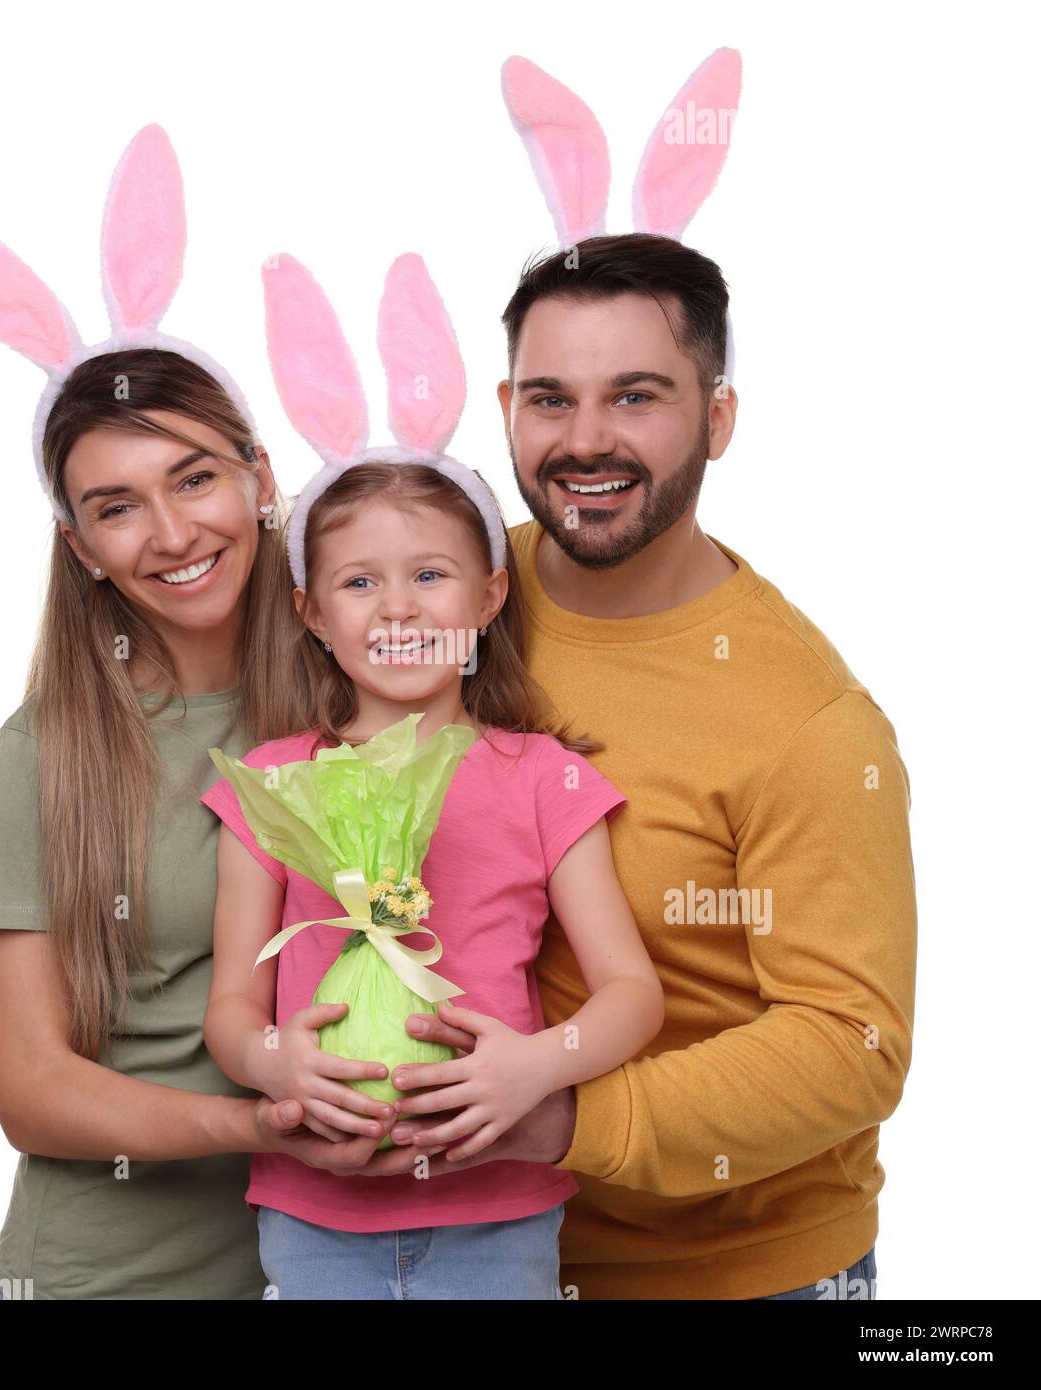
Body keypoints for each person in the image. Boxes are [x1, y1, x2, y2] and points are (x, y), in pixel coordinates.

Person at [386, 231, 916, 1301]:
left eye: (635, 398)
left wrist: (564, 1118)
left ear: (717, 417)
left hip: (725, 1275)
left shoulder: (809, 721)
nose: (585, 442)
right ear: (503, 409)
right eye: (549, 399)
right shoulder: (448, 595)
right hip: (452, 1252)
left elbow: (849, 1044)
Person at [0, 127, 390, 1300]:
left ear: (260, 473)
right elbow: (30, 1085)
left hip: (360, 1256)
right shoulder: (52, 751)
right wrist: (263, 1128)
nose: (173, 535)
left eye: (192, 477)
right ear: (81, 549)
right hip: (113, 1275)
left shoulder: (376, 683)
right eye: (117, 508)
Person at [199, 253, 665, 1300]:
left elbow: (631, 993)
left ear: (491, 595)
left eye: (430, 576)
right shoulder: (271, 785)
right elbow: (230, 1004)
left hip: (498, 1205)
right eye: (359, 581)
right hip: (313, 1212)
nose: (397, 610)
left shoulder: (542, 778)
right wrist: (272, 1059)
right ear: (314, 613)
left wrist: (539, 1066)